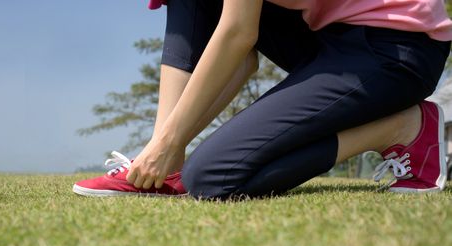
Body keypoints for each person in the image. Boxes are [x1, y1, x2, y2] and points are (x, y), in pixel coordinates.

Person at [73, 0, 452, 199]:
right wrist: (164, 143)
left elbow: (238, 32)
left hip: (397, 47)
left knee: (212, 178)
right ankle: (162, 161)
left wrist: (170, 141)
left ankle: (401, 128)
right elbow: (236, 48)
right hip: (329, 38)